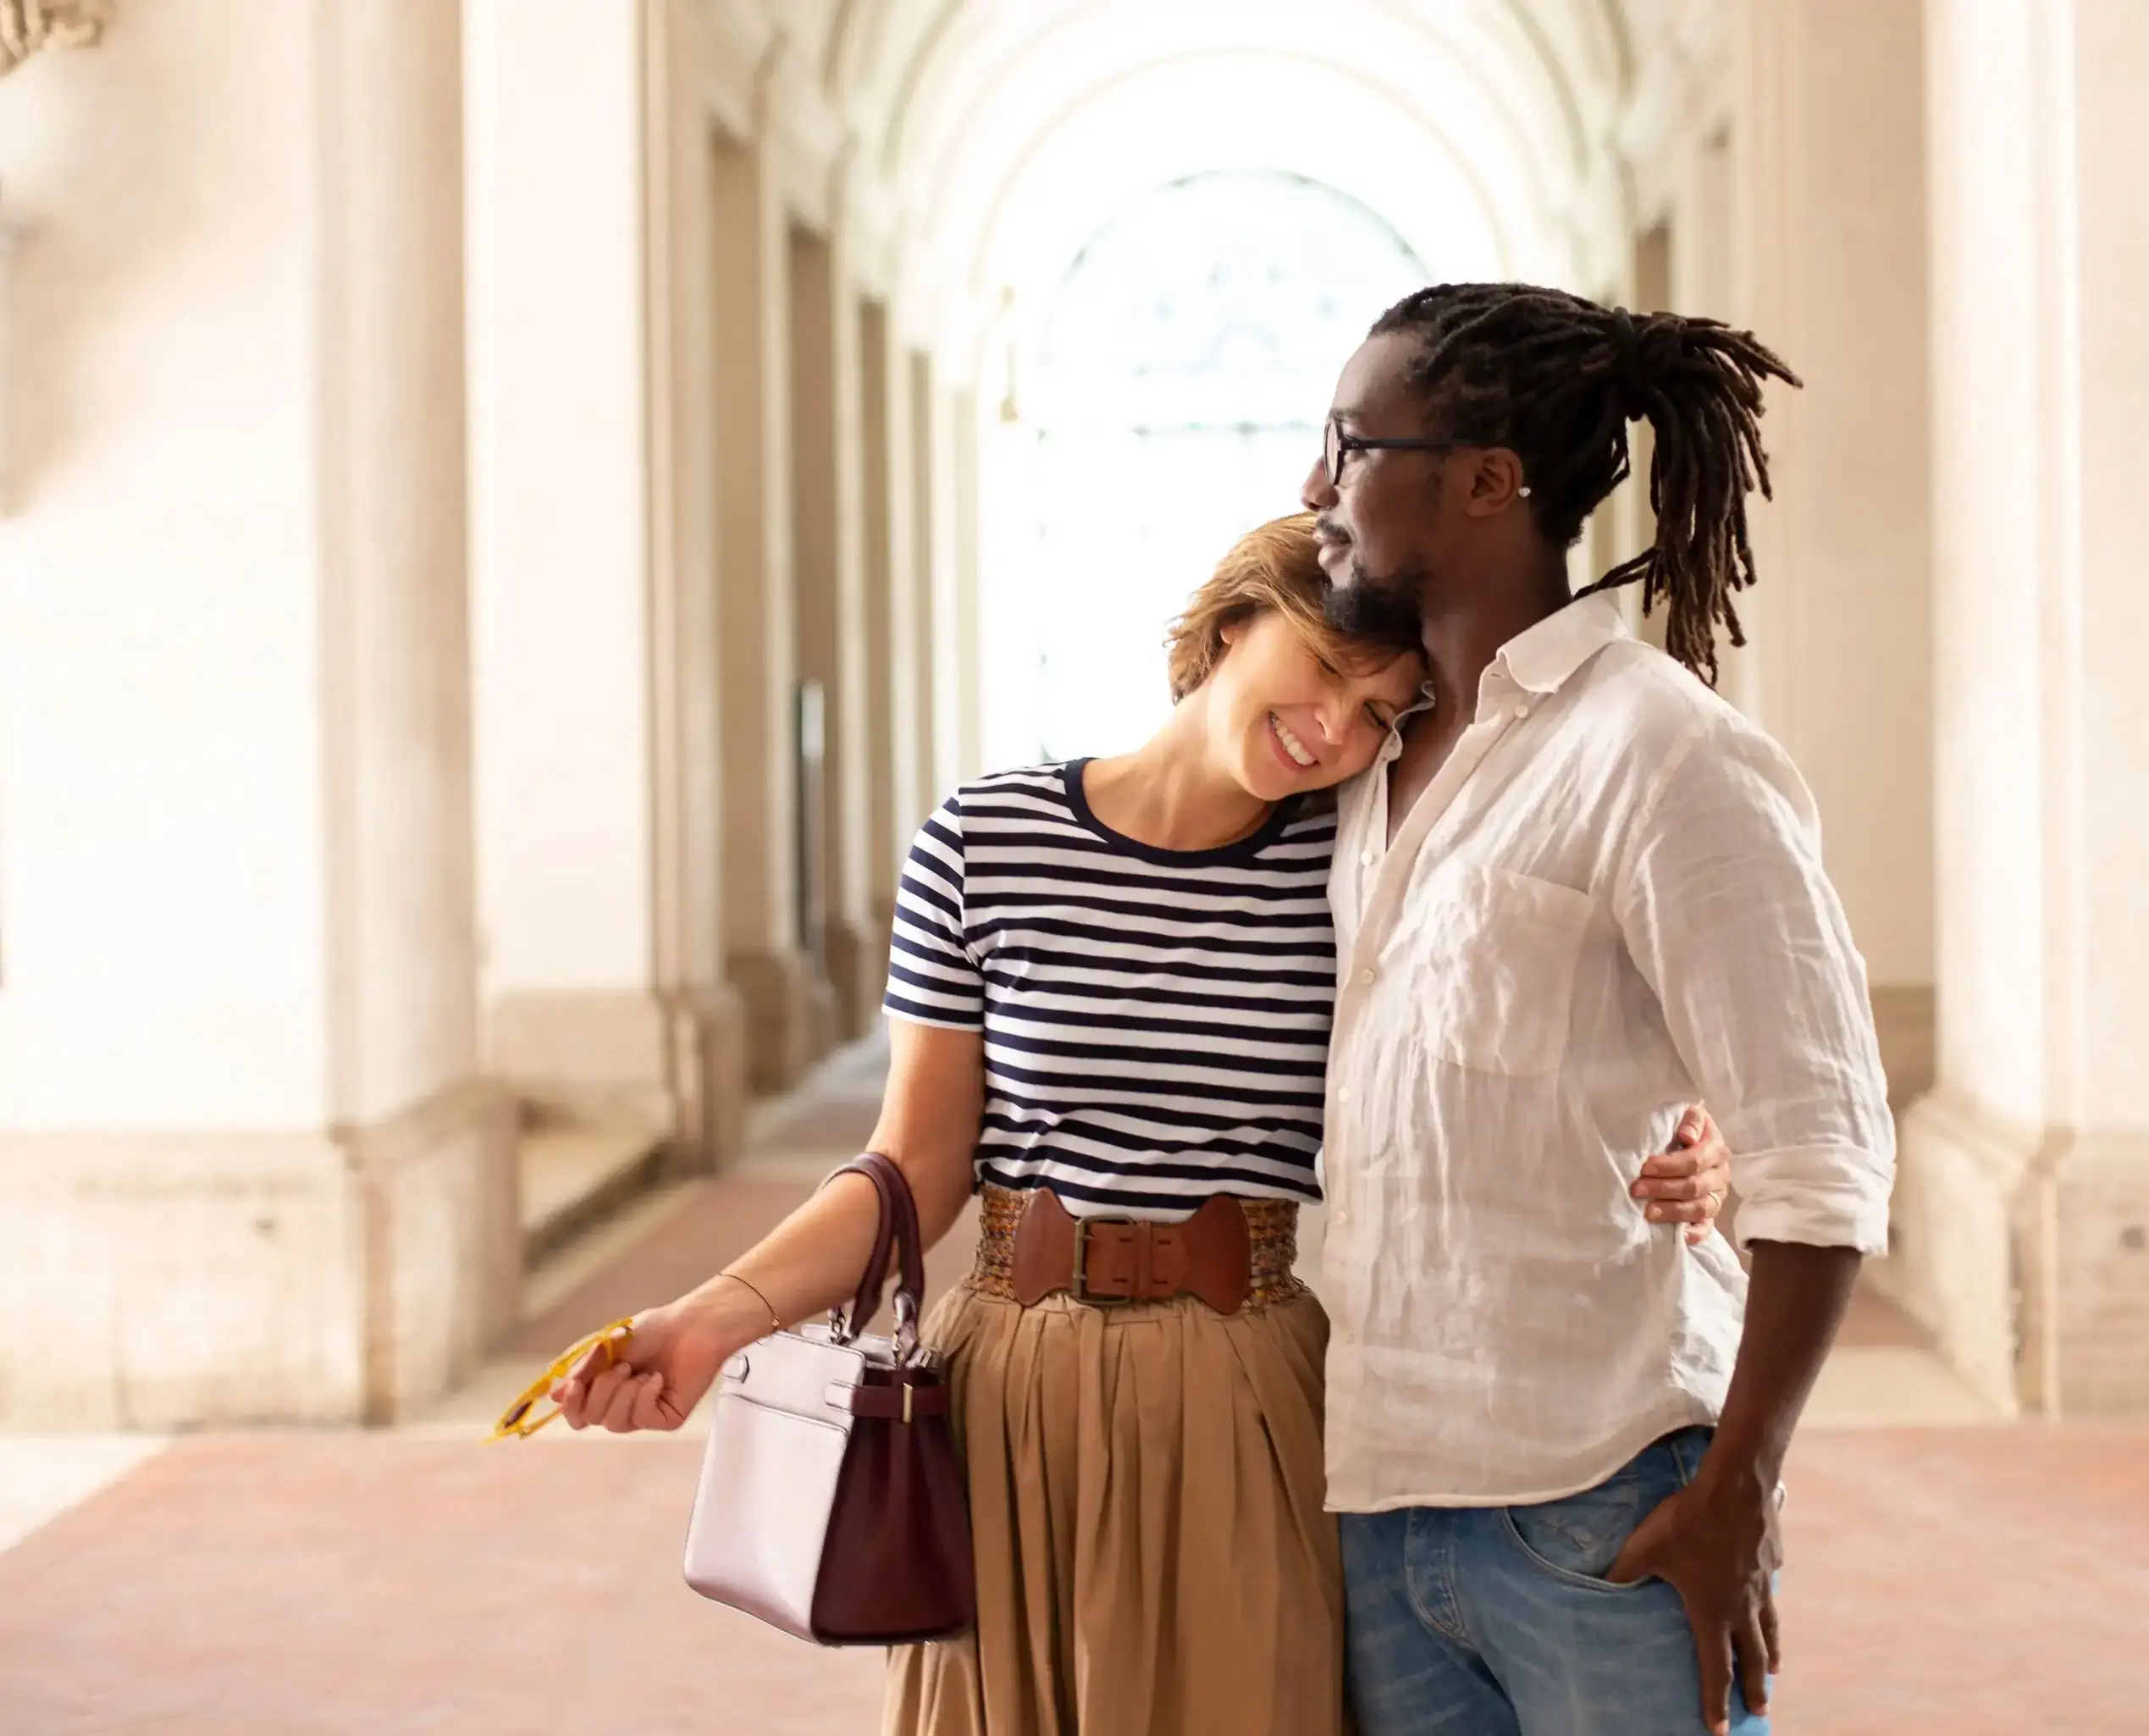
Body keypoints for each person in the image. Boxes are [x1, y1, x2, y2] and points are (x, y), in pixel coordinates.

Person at [550, 514, 1736, 1736]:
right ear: (1234, 621)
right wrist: (708, 1319)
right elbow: (914, 1163)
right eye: (1326, 668)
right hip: (1011, 1389)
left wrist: (1684, 1130)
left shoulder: (1356, 865)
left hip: (1248, 1385)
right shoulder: (981, 839)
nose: (1337, 728)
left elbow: (1524, 1028)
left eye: (1381, 712)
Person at [1300, 284, 1895, 1736]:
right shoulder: (1358, 767)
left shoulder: (1666, 751)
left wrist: (1737, 1490)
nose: (1314, 486)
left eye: (1348, 443)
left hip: (1602, 1511)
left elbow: (1824, 1157)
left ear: (1490, 480)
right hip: (1378, 1505)